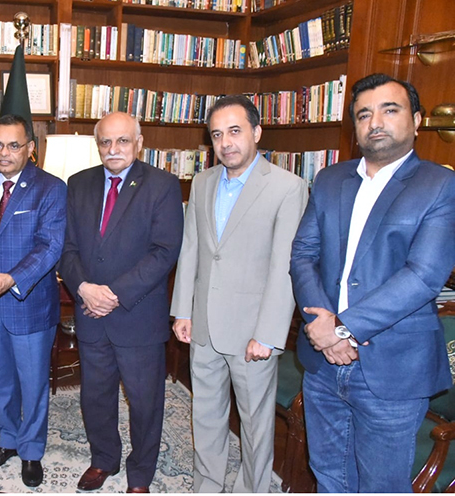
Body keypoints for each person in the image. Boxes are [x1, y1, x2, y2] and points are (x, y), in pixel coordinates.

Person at [290, 73, 455, 492]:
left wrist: (340, 328)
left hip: (392, 369)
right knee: (328, 473)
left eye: (390, 109)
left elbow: (423, 277)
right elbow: (303, 254)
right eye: (364, 114)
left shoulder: (441, 185)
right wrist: (322, 326)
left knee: (381, 486)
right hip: (323, 362)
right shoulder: (330, 180)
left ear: (416, 121)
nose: (375, 121)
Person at [170, 95, 308, 493]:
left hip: (253, 333)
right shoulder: (202, 182)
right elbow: (192, 248)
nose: (226, 142)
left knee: (255, 425)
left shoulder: (288, 187)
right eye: (217, 135)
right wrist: (183, 311)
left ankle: (252, 489)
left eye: (235, 131)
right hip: (204, 326)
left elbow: (285, 268)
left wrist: (268, 335)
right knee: (207, 415)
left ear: (257, 132)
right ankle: (207, 485)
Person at [59, 111, 184, 493]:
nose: (113, 149)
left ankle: (141, 475)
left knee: (145, 402)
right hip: (90, 313)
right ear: (97, 145)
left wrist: (112, 295)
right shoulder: (77, 184)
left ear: (139, 143)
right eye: (105, 142)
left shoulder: (162, 185)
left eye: (123, 141)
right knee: (95, 395)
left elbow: (165, 252)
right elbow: (67, 248)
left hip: (136, 314)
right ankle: (103, 460)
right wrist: (84, 288)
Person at [0, 114, 66, 487]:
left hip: (29, 302)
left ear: (30, 149)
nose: (4, 153)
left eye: (13, 145)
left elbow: (50, 246)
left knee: (33, 382)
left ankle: (32, 450)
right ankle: (7, 439)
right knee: (1, 381)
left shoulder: (51, 188)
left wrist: (13, 279)